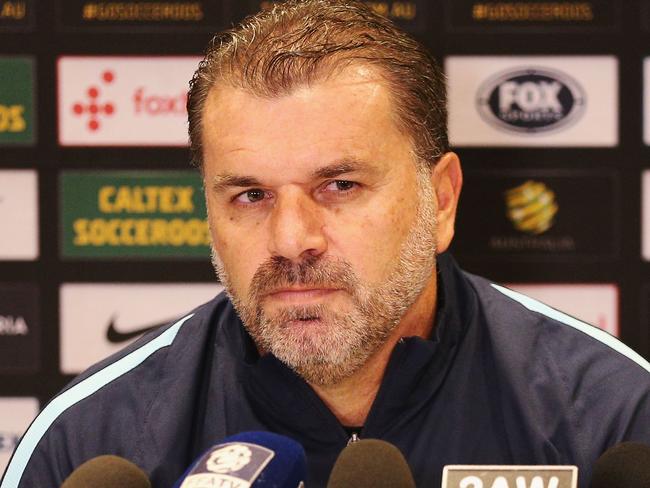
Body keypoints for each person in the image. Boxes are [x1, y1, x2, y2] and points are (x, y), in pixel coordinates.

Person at [3, 1, 650, 487]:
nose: (292, 239)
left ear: (443, 199)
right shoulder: (88, 439)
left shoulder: (613, 412)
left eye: (339, 185)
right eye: (250, 196)